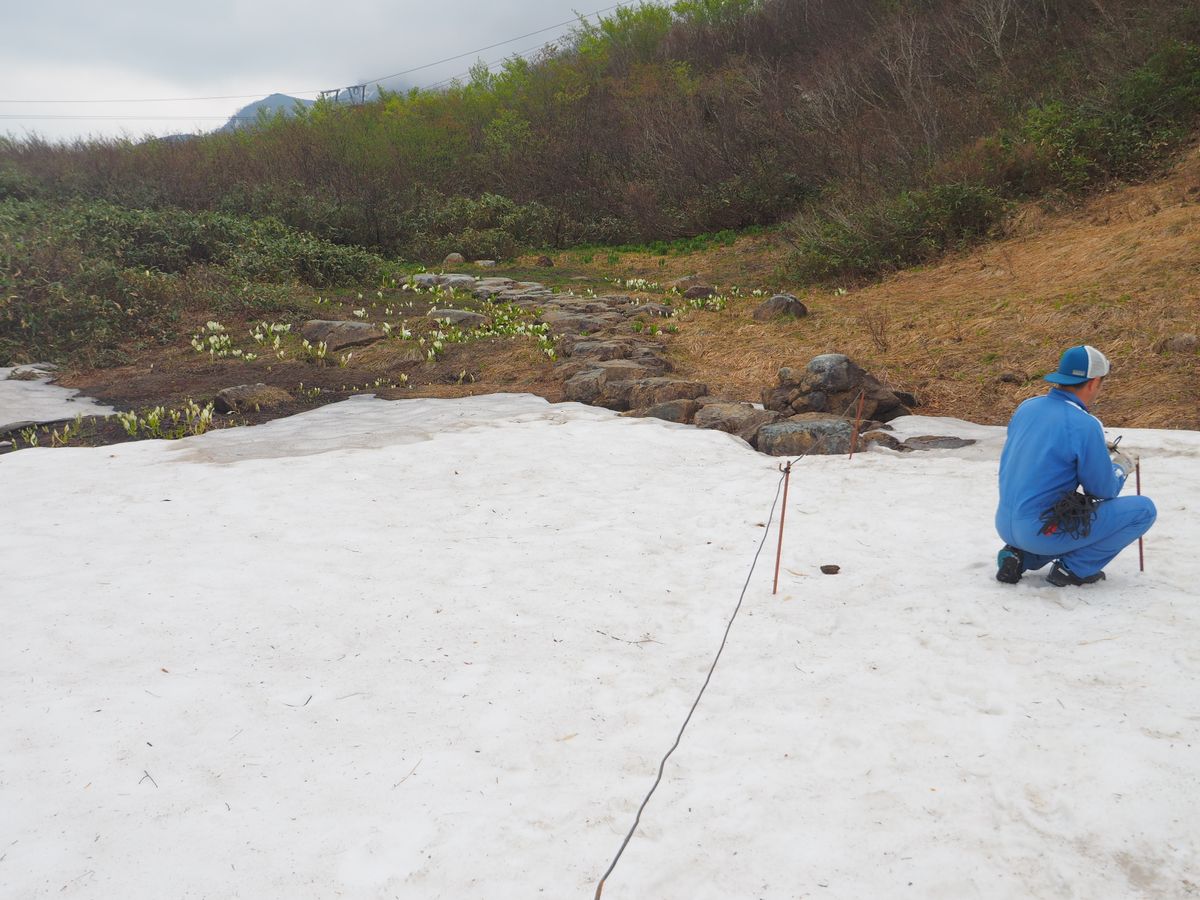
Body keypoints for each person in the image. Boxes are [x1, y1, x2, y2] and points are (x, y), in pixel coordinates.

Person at [994, 345, 1156, 586]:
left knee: (1056, 516)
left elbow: (1042, 448)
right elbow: (1103, 490)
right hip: (1041, 531)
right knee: (1143, 510)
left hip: (1006, 525)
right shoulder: (1085, 424)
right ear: (1094, 382)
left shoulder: (1027, 407)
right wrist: (1121, 466)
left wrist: (1094, 448)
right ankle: (1074, 569)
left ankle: (1020, 557)